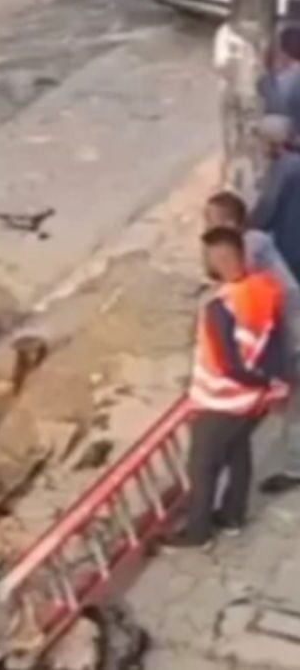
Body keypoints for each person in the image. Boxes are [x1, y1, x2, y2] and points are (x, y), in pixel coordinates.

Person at [164, 228, 288, 551]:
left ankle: (197, 531)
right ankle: (233, 516)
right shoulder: (265, 288)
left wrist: (263, 382)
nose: (220, 263)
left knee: (202, 465)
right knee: (238, 452)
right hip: (253, 400)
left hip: (221, 400)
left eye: (221, 257)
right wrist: (273, 383)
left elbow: (227, 365)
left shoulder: (219, 308)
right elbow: (275, 341)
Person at [204, 192, 300, 494]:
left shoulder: (249, 249)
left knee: (291, 407)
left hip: (291, 339)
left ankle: (296, 467)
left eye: (212, 221)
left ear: (230, 222)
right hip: (289, 334)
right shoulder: (256, 240)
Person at [252, 114, 300, 279]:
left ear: (272, 143)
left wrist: (243, 227)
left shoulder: (284, 168)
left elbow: (266, 209)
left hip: (291, 249)